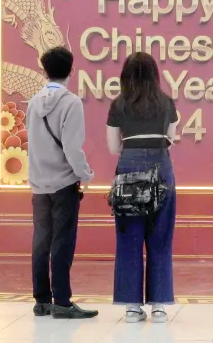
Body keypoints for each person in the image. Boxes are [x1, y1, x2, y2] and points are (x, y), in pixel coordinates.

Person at [106, 52, 179, 323]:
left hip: (128, 170)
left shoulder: (119, 104)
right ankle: (159, 305)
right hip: (162, 171)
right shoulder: (167, 103)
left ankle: (131, 306)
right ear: (154, 75)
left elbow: (113, 146)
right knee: (160, 238)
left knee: (129, 239)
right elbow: (170, 138)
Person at [26, 46, 97, 320]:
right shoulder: (71, 103)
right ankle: (63, 301)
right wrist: (85, 174)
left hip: (39, 183)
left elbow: (32, 143)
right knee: (62, 242)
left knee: (40, 240)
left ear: (45, 70)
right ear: (72, 70)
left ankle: (42, 301)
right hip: (64, 183)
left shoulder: (33, 102)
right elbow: (72, 148)